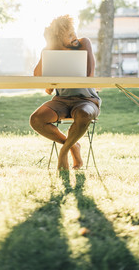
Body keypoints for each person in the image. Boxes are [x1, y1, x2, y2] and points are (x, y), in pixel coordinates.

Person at [29, 15, 101, 171]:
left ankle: (64, 151)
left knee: (84, 114)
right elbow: (41, 82)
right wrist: (48, 50)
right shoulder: (50, 51)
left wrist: (65, 47)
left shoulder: (83, 43)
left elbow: (89, 74)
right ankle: (73, 145)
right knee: (36, 120)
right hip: (61, 101)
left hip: (86, 100)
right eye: (69, 35)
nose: (74, 36)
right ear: (58, 39)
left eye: (73, 32)